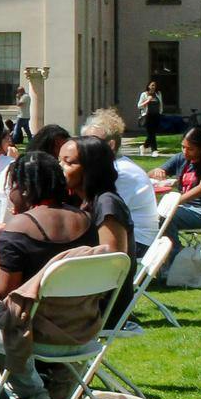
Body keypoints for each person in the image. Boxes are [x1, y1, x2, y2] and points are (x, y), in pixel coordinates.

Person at [0, 152, 102, 399]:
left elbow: (2, 294)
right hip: (81, 327)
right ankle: (23, 393)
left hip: (35, 332)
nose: (10, 192)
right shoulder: (87, 221)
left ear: (24, 189)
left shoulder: (19, 228)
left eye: (12, 186)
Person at [59, 135, 137, 323]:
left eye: (68, 163)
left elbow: (112, 264)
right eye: (59, 160)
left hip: (103, 308)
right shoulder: (85, 201)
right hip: (86, 297)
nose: (59, 167)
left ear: (90, 169)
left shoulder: (107, 203)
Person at [81, 109, 159, 254]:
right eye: (83, 141)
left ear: (111, 145)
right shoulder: (117, 166)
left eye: (92, 142)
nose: (84, 148)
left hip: (137, 244)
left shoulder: (121, 172)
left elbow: (101, 212)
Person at [149, 126, 201, 234]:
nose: (185, 152)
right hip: (182, 208)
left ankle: (174, 250)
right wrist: (157, 171)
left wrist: (174, 202)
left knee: (165, 215)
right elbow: (148, 175)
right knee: (150, 214)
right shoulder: (180, 158)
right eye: (183, 147)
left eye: (190, 149)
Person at [136, 80, 162, 154]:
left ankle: (144, 146)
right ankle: (154, 150)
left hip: (156, 115)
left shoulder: (158, 94)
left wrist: (160, 112)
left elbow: (161, 104)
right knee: (151, 133)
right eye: (152, 85)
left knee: (153, 133)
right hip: (147, 116)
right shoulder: (144, 94)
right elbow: (139, 106)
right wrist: (147, 101)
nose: (154, 87)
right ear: (148, 86)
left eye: (155, 85)